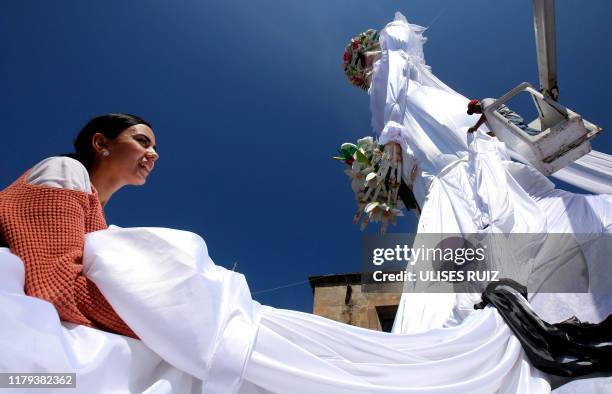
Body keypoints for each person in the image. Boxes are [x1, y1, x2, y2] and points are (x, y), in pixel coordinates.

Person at [0, 113, 159, 338]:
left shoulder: (100, 225)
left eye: (154, 147)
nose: (154, 154)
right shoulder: (64, 170)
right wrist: (158, 330)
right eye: (142, 141)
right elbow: (56, 286)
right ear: (101, 143)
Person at [467, 98, 542, 136]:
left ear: (477, 103)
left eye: (474, 109)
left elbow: (488, 110)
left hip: (509, 118)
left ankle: (541, 136)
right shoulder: (486, 115)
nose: (476, 112)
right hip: (506, 122)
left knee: (522, 132)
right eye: (474, 112)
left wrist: (475, 127)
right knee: (522, 135)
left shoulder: (485, 101)